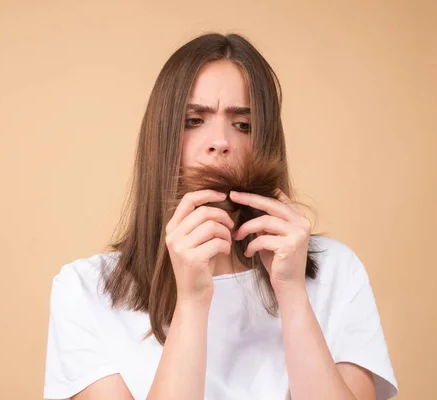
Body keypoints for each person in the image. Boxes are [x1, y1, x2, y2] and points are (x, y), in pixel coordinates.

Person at [43, 33, 398, 400]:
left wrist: (292, 292)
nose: (220, 142)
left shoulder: (338, 272)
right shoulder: (85, 291)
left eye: (242, 125)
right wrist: (192, 304)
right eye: (194, 120)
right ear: (162, 136)